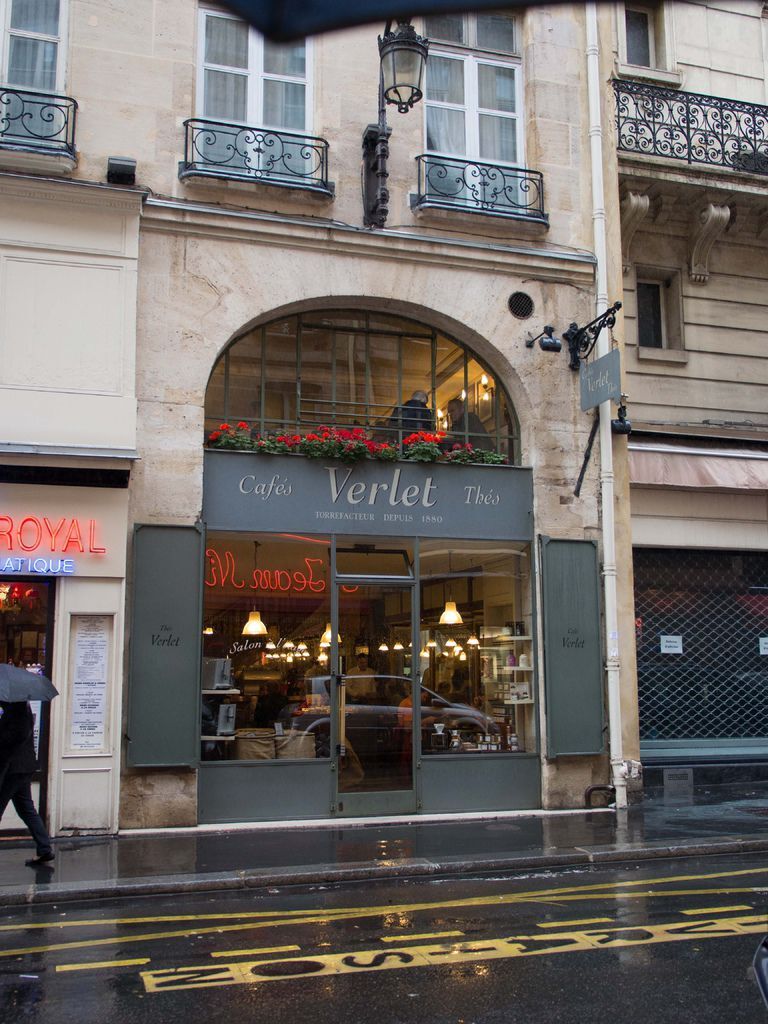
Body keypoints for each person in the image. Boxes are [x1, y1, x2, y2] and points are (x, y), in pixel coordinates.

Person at [0, 701, 54, 867]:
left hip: (13, 769)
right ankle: (44, 848)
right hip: (23, 767)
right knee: (26, 809)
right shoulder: (22, 708)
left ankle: (44, 848)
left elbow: (14, 738)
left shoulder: (17, 710)